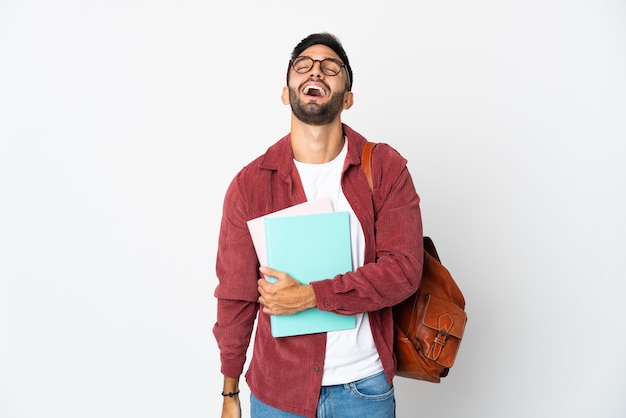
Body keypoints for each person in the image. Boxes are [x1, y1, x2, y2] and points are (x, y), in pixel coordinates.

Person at [213, 32, 423, 418]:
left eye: (331, 68)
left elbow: (404, 271)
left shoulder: (385, 169)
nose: (317, 71)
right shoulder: (251, 184)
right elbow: (235, 296)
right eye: (304, 65)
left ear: (348, 98)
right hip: (277, 394)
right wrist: (230, 391)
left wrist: (311, 296)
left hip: (365, 390)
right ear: (286, 91)